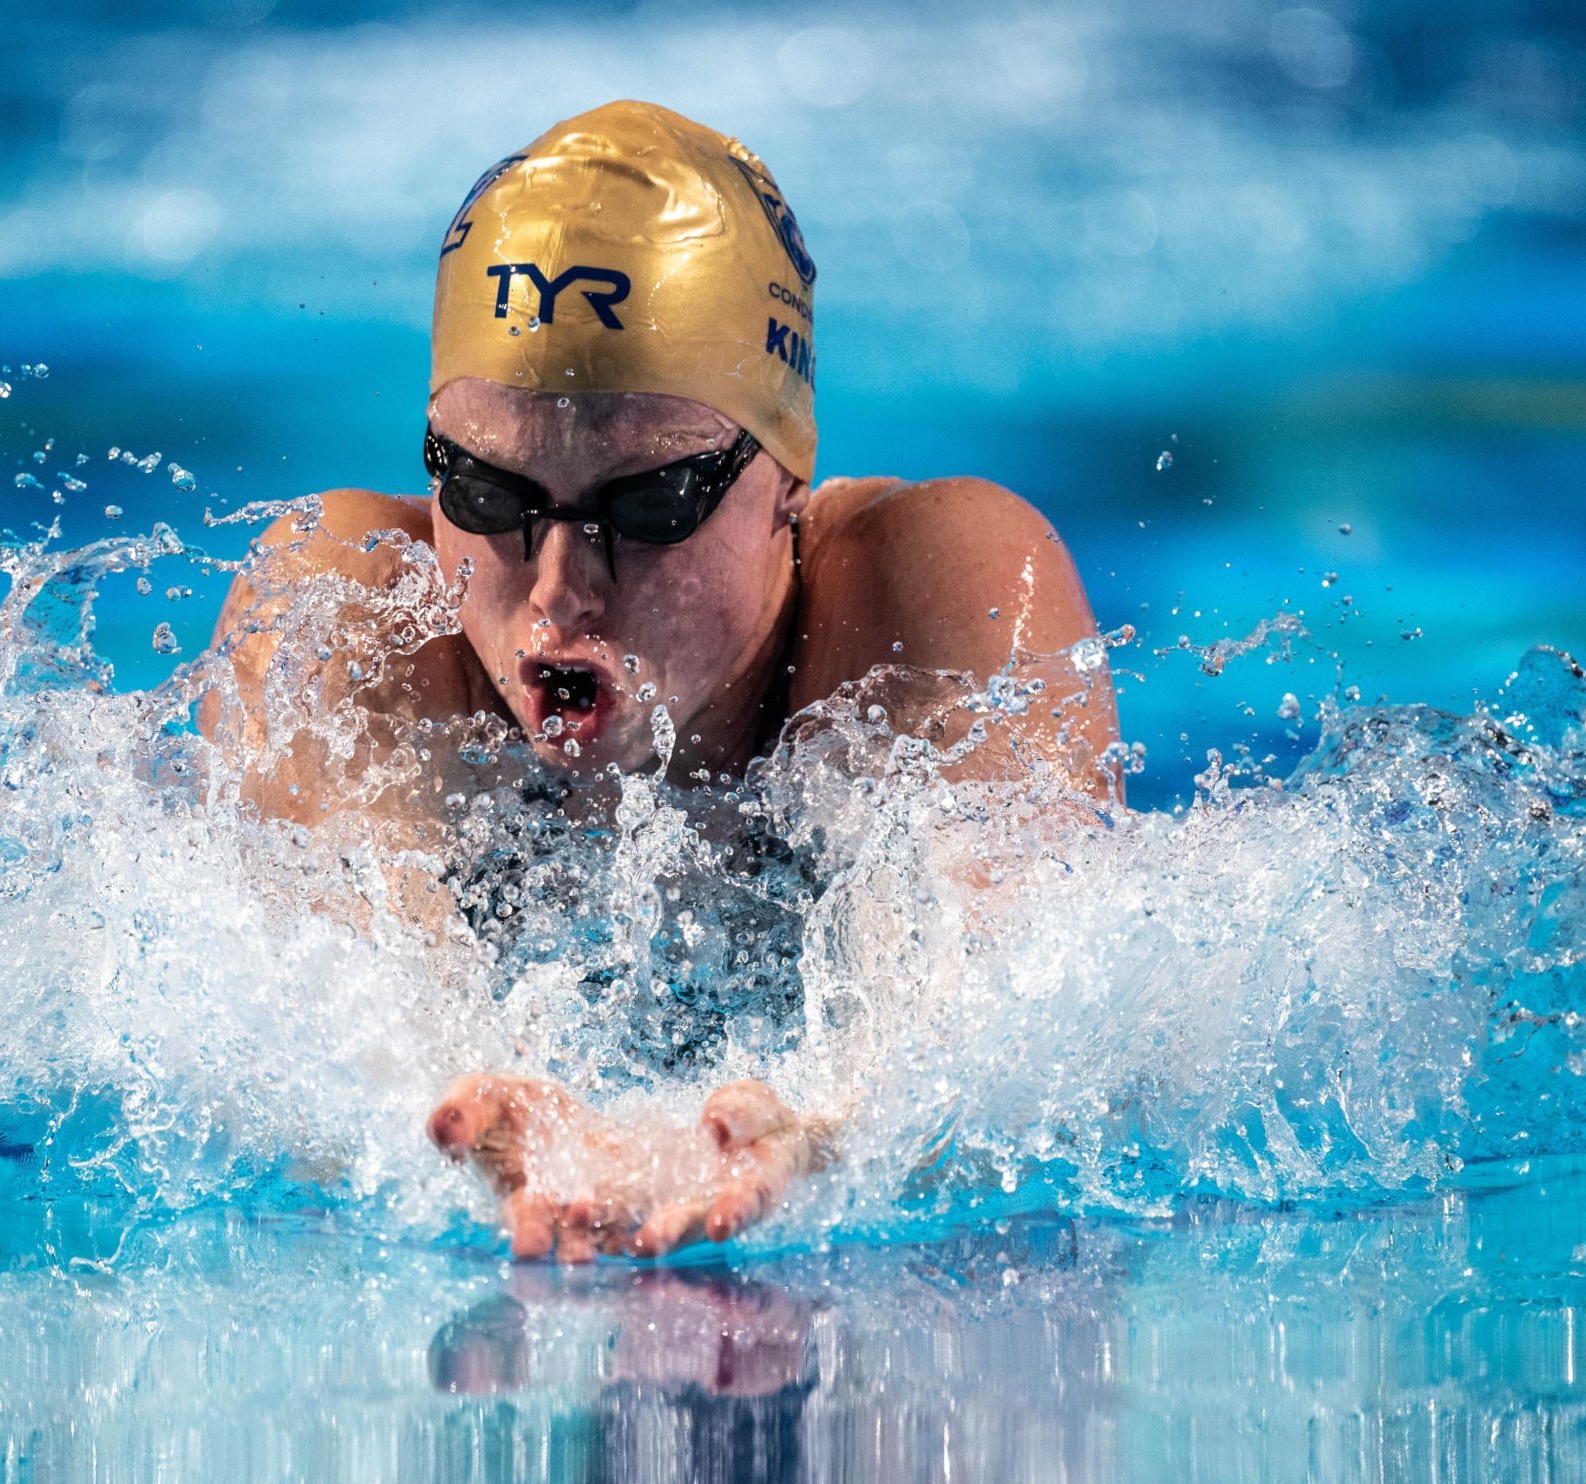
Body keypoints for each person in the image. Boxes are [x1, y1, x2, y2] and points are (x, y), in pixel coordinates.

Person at [200, 101, 1121, 1262]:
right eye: (486, 492)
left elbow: (1020, 1015)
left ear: (786, 473)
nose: (556, 591)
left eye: (649, 505)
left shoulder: (932, 587)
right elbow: (321, 1013)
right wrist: (449, 1113)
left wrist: (848, 1134)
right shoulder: (343, 613)